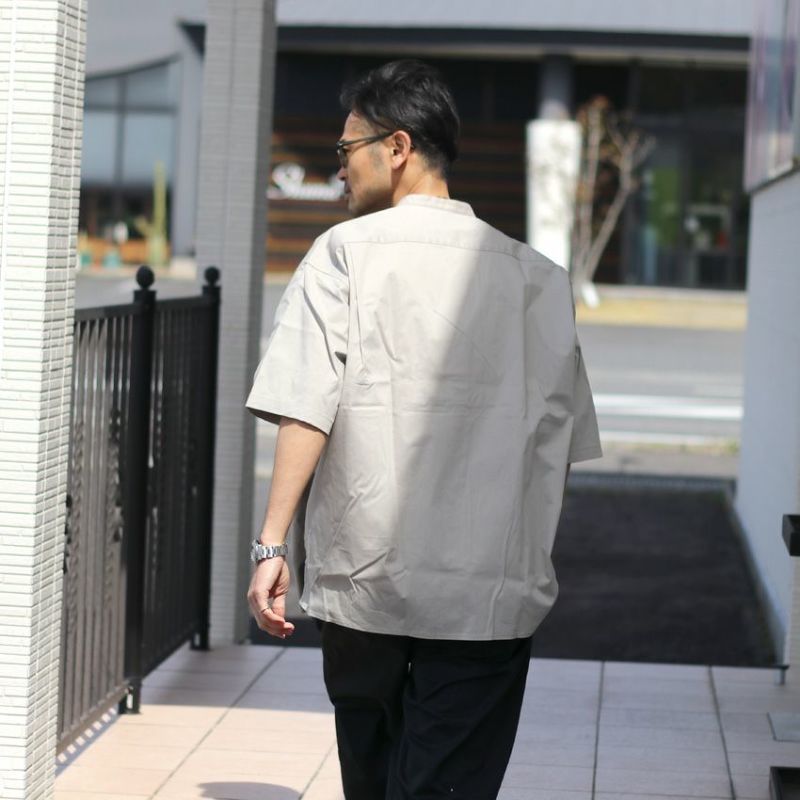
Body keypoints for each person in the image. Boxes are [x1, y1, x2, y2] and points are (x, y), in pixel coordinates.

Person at [245, 59, 602, 800]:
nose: (338, 168)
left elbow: (305, 405)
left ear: (397, 147)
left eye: (346, 150)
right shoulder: (537, 277)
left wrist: (272, 544)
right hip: (488, 594)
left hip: (363, 585)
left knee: (373, 776)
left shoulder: (343, 255)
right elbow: (559, 443)